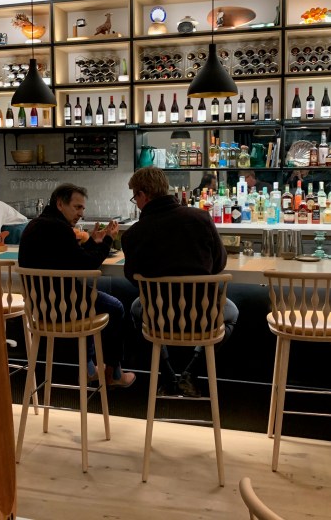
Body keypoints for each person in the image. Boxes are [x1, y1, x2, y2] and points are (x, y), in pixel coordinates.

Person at [121, 167, 238, 397]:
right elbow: (219, 263)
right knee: (232, 312)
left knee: (136, 308)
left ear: (144, 195)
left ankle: (166, 376)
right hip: (203, 317)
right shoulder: (201, 218)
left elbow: (133, 278)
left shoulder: (133, 234)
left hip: (159, 317)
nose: (136, 203)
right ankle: (192, 373)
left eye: (135, 197)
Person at [19, 183, 135, 388]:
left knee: (87, 301)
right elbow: (86, 266)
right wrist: (108, 240)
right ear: (60, 204)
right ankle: (114, 373)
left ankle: (89, 368)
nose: (81, 213)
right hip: (63, 307)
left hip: (40, 308)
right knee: (115, 306)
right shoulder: (59, 229)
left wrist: (92, 242)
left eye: (82, 208)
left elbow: (69, 259)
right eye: (77, 207)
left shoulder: (35, 225)